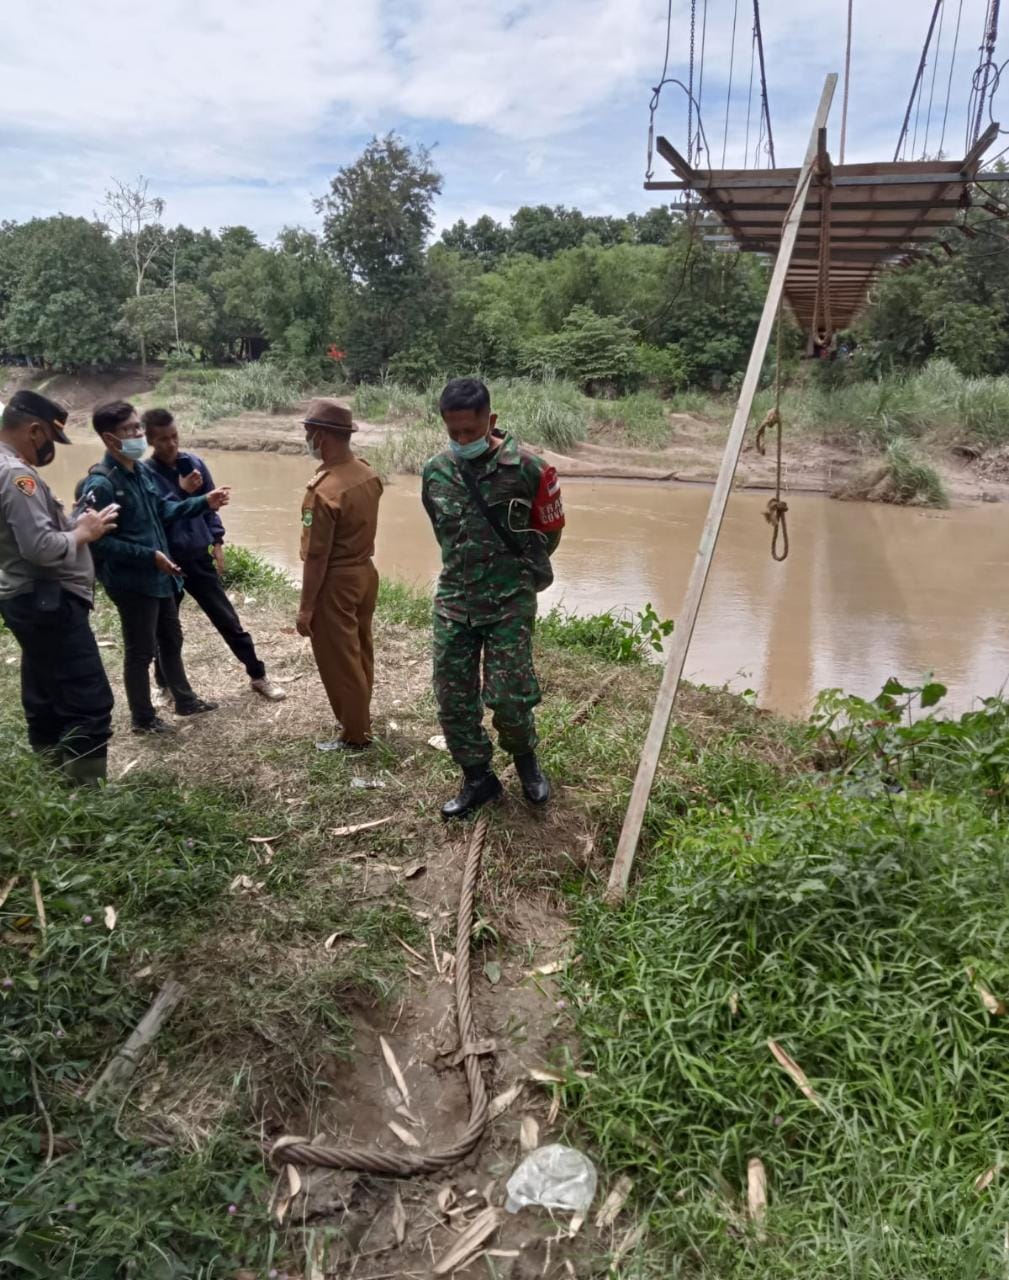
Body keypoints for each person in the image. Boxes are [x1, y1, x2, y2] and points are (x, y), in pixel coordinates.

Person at [422, 377, 565, 820]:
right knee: (453, 698)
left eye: (471, 430)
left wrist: (510, 574)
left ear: (492, 420)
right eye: (454, 433)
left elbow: (550, 534)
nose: (463, 440)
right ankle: (478, 778)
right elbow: (441, 530)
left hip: (508, 603)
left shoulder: (531, 469)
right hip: (454, 602)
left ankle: (527, 763)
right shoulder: (436, 471)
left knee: (509, 697)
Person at [78, 401, 230, 735]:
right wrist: (149, 556)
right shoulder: (100, 485)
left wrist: (203, 502)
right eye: (128, 430)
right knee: (141, 650)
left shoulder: (141, 471)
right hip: (132, 580)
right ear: (109, 439)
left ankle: (184, 699)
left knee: (171, 638)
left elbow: (164, 509)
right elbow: (96, 541)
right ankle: (142, 718)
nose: (137, 434)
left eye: (137, 427)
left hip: (160, 576)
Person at [0, 390, 119, 784]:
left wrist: (76, 526)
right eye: (50, 439)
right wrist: (83, 533)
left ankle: (49, 778)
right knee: (89, 700)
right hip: (46, 602)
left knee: (44, 691)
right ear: (35, 431)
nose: (50, 449)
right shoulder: (18, 476)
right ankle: (85, 796)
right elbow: (40, 549)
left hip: (25, 599)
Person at [141, 408, 286, 704]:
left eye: (174, 437)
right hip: (167, 563)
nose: (171, 444)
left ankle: (258, 675)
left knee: (227, 619)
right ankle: (163, 684)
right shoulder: (145, 474)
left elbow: (210, 506)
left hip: (197, 556)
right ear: (149, 440)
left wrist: (217, 542)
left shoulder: (193, 464)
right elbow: (157, 515)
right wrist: (183, 492)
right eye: (163, 439)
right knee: (165, 629)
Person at [297, 399, 383, 751]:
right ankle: (358, 718)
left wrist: (305, 608)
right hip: (365, 574)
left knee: (340, 661)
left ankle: (355, 735)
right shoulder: (366, 473)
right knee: (360, 650)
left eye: (308, 434)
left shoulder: (323, 492)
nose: (307, 441)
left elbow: (316, 557)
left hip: (336, 581)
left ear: (320, 435)